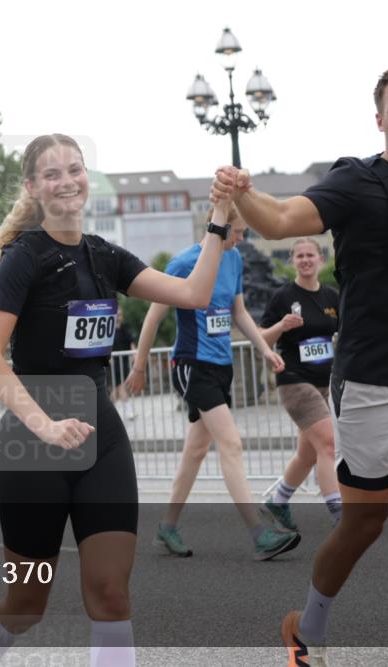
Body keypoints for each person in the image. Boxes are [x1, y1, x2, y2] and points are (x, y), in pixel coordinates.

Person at [212, 65, 388, 667]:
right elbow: (282, 220)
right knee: (362, 527)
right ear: (381, 121)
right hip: (370, 386)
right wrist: (242, 190)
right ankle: (307, 625)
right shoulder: (356, 183)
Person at [0, 133, 229, 667]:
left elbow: (193, 293)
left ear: (86, 179)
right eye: (51, 174)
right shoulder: (23, 258)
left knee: (110, 594)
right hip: (32, 446)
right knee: (26, 606)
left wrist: (218, 218)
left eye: (74, 170)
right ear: (33, 187)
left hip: (101, 440)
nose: (66, 181)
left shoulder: (105, 255)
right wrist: (45, 425)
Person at [125, 207, 298, 561]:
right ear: (218, 228)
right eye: (238, 231)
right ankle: (259, 533)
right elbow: (153, 316)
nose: (242, 239)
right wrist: (139, 366)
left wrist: (265, 348)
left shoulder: (233, 260)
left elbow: (239, 312)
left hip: (221, 365)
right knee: (231, 444)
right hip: (192, 364)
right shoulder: (184, 263)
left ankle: (167, 527)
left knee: (196, 451)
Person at [257, 238, 341, 530]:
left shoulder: (331, 297)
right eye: (300, 256)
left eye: (310, 255)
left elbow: (347, 334)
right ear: (293, 261)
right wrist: (281, 326)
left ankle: (277, 503)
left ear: (320, 259)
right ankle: (339, 514)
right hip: (294, 379)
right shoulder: (283, 296)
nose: (305, 260)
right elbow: (261, 339)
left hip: (325, 382)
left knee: (308, 454)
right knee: (328, 444)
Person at [110, 309, 137, 420]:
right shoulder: (110, 329)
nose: (118, 317)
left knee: (116, 390)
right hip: (114, 363)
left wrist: (134, 354)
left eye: (120, 314)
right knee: (121, 386)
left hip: (124, 361)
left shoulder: (125, 327)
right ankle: (129, 411)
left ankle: (106, 410)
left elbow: (131, 342)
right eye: (117, 315)